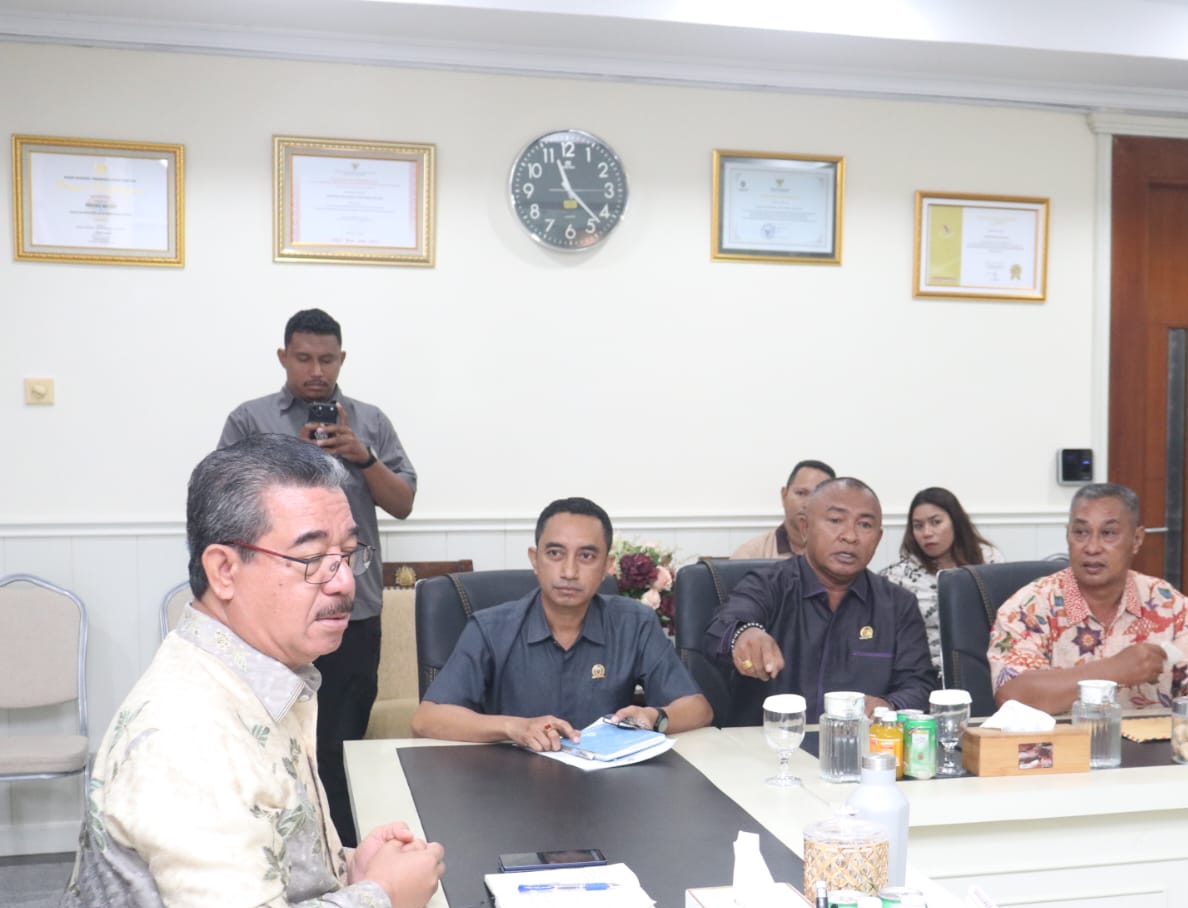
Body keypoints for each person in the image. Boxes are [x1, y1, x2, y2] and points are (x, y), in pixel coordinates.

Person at [58, 435, 444, 908]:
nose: (343, 582)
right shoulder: (187, 729)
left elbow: (253, 855)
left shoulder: (258, 678)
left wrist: (349, 868)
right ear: (224, 570)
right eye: (311, 559)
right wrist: (378, 895)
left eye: (348, 554)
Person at [219, 308, 416, 848]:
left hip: (352, 610)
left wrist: (364, 458)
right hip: (271, 616)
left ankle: (344, 855)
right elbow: (224, 507)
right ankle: (270, 851)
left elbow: (403, 502)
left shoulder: (370, 422)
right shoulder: (249, 420)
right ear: (283, 357)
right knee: (268, 742)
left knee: (339, 747)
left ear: (342, 359)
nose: (315, 370)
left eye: (327, 359)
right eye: (303, 358)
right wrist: (297, 461)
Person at [413, 497, 713, 747]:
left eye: (586, 556)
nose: (569, 571)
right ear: (535, 559)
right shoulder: (490, 628)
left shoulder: (634, 623)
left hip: (606, 784)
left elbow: (698, 708)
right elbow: (427, 719)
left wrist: (655, 717)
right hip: (509, 783)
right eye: (555, 553)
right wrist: (513, 727)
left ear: (607, 566)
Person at [707, 477, 935, 722]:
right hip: (770, 741)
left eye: (865, 525)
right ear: (805, 528)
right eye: (835, 520)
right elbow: (723, 627)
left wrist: (889, 705)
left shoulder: (898, 604)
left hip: (860, 742)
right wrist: (745, 634)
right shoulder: (768, 583)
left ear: (878, 539)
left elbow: (919, 685)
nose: (850, 536)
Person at [988, 483, 1188, 713]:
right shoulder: (1030, 606)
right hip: (1058, 742)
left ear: (1136, 540)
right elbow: (1011, 696)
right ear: (1068, 536)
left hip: (1153, 743)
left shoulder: (1167, 602)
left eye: (1108, 533)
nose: (1092, 547)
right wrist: (1113, 670)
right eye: (1080, 532)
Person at [880, 486, 1003, 679]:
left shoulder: (989, 560)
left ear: (956, 522)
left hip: (985, 668)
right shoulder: (897, 576)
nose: (927, 533)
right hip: (924, 673)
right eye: (918, 526)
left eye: (936, 522)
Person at [730, 459, 836, 559]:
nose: (808, 504)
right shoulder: (751, 555)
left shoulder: (839, 555)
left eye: (818, 496)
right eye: (801, 493)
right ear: (784, 495)